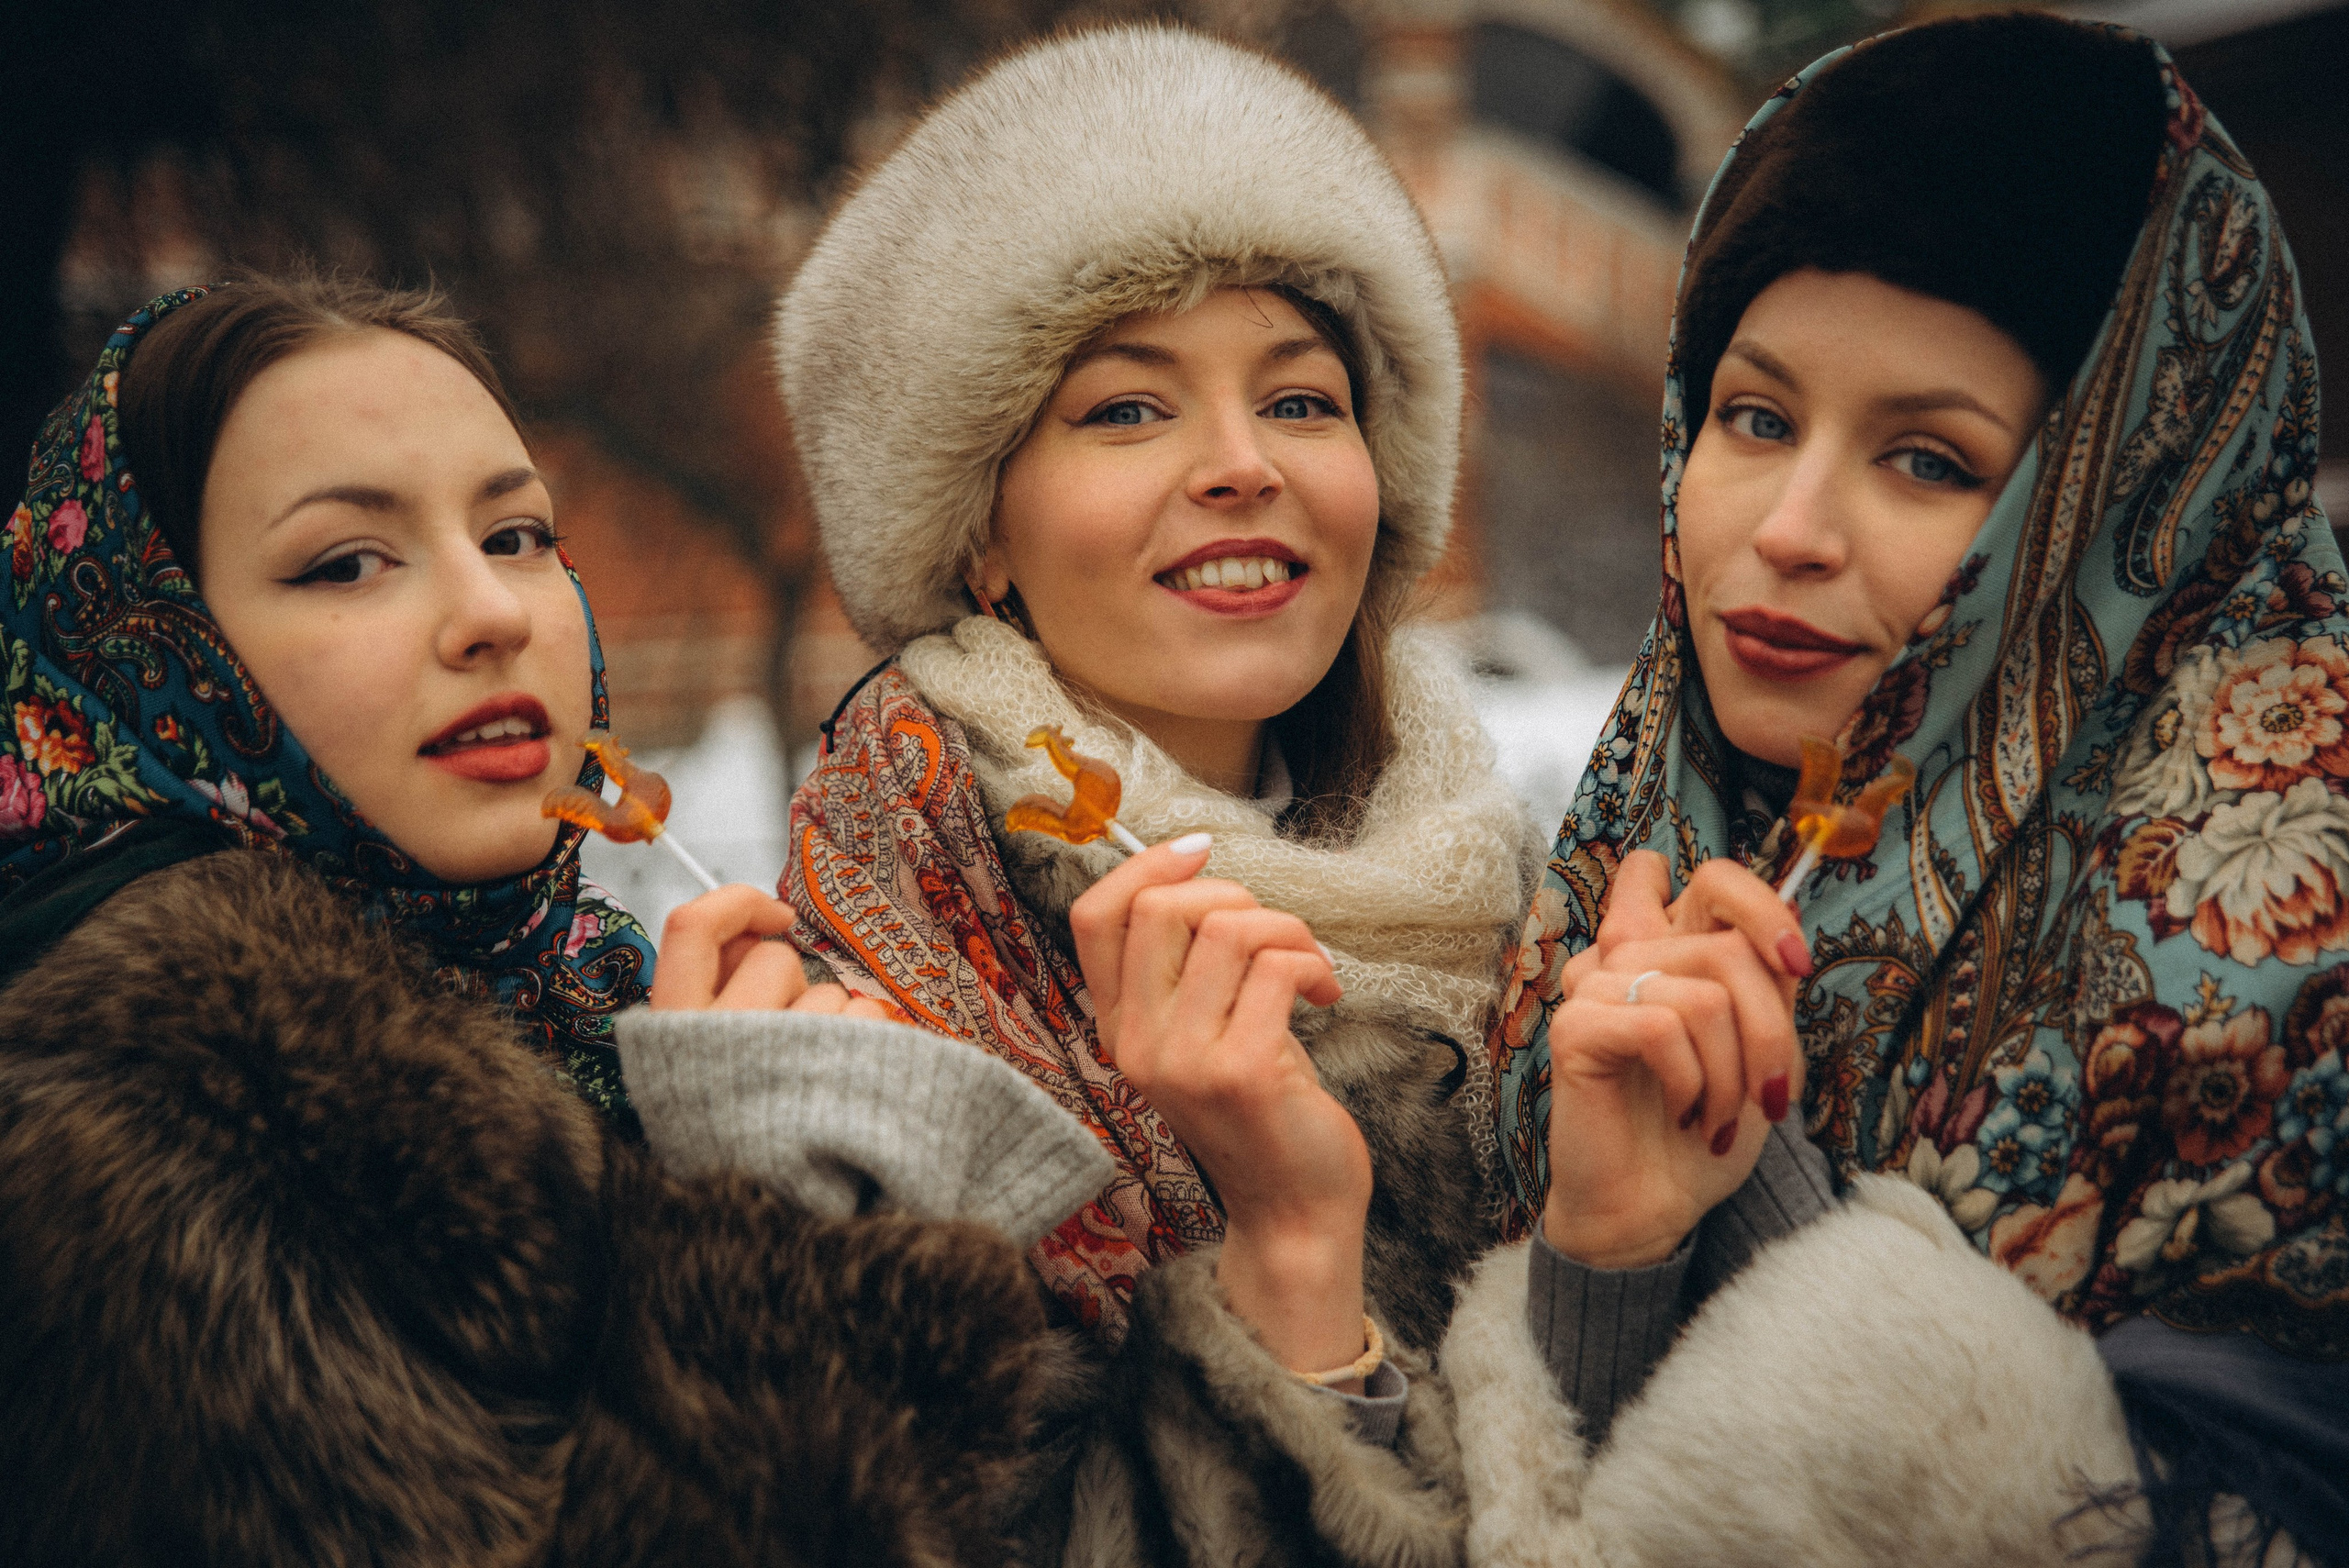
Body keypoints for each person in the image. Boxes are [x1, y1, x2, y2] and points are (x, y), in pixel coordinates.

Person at [614, 25, 1542, 1562]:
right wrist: (1290, 1261)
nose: (1242, 464)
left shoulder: (1532, 928)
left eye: (1302, 401)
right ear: (980, 532)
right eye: (1127, 409)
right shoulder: (854, 1038)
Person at [0, 273, 1094, 1565]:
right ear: (147, 650)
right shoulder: (121, 1138)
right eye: (346, 562)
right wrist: (765, 1218)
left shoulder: (577, 1003)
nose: (492, 613)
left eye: (517, 535)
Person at [1441, 14, 2346, 1565]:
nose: (1789, 527)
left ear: (2134, 507)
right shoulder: (1608, 887)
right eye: (1755, 417)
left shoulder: (2294, 964)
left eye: (1929, 459)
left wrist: (1767, 1192)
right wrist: (1604, 1258)